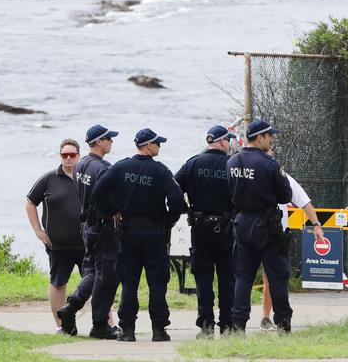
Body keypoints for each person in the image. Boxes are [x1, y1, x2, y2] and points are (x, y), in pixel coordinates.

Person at [93, 128, 184, 343]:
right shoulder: (161, 171)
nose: (159, 147)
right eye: (158, 144)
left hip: (127, 232)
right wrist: (168, 221)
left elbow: (98, 193)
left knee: (129, 283)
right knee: (157, 283)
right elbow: (177, 200)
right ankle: (159, 330)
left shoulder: (120, 167)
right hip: (154, 233)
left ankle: (127, 330)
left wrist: (112, 211)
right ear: (149, 146)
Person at [227, 119, 293, 334]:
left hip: (242, 223)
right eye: (269, 135)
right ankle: (283, 323)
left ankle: (237, 324)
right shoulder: (269, 164)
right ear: (259, 138)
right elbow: (285, 195)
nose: (272, 139)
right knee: (277, 275)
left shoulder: (232, 162)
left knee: (243, 277)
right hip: (267, 226)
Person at [57, 125, 120, 339]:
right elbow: (107, 197)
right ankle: (100, 324)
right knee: (107, 277)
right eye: (109, 139)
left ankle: (70, 307)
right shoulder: (102, 168)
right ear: (99, 141)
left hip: (87, 226)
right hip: (102, 227)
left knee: (92, 271)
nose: (111, 142)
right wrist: (114, 211)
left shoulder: (80, 165)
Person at [175, 125, 236, 338]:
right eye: (229, 140)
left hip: (200, 228)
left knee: (203, 277)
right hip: (227, 229)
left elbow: (174, 188)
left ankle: (207, 326)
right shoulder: (232, 164)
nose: (230, 144)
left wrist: (185, 209)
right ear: (221, 141)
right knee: (227, 278)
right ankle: (228, 325)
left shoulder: (193, 163)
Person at [26, 138, 85, 333]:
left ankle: (105, 323)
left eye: (72, 155)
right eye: (64, 155)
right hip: (58, 244)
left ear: (79, 155)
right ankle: (62, 326)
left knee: (98, 283)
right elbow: (30, 203)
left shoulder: (86, 177)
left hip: (87, 243)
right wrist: (38, 231)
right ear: (60, 156)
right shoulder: (49, 179)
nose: (68, 158)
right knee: (58, 283)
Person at [260, 163, 324, 330]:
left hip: (261, 232)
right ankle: (274, 320)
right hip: (267, 232)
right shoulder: (265, 174)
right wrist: (316, 224)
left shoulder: (282, 177)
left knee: (265, 277)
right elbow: (304, 202)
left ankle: (261, 319)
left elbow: (303, 201)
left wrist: (316, 224)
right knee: (265, 277)